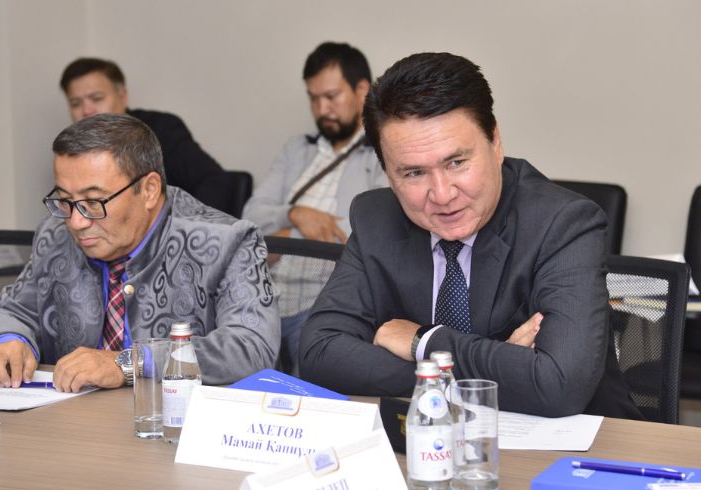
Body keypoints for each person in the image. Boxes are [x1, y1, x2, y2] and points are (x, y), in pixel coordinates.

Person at [299, 52, 639, 419]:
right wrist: (484, 371)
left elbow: (559, 385)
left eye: (456, 163)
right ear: (387, 173)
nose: (442, 194)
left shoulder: (562, 224)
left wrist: (422, 340)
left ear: (495, 141)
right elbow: (319, 351)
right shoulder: (377, 218)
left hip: (584, 444)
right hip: (435, 439)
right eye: (414, 173)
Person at [0, 113, 279, 391]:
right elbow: (5, 312)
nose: (76, 222)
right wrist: (8, 341)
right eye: (64, 200)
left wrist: (129, 363)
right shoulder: (56, 235)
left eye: (93, 202)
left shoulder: (227, 241)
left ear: (149, 190)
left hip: (177, 425)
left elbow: (251, 347)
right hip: (75, 422)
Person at [242, 42, 387, 372]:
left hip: (327, 302)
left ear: (362, 90)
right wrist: (296, 215)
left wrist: (282, 238)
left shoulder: (382, 151)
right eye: (313, 98)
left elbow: (366, 231)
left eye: (331, 96)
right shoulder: (297, 149)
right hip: (263, 297)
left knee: (309, 377)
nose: (322, 109)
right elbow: (251, 215)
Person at [60, 57, 235, 213]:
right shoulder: (72, 150)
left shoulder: (162, 129)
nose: (86, 111)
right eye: (75, 103)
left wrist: (183, 228)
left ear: (122, 96)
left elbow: (215, 181)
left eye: (97, 98)